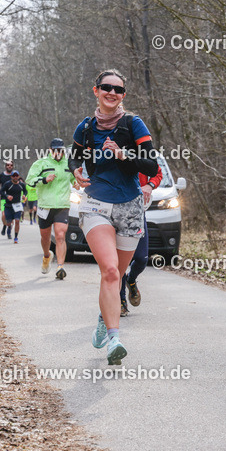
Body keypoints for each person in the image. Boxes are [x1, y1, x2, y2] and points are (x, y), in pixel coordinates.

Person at [69, 69, 160, 365]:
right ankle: (114, 340)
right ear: (95, 91)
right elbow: (74, 156)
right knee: (109, 271)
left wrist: (123, 155)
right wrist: (76, 170)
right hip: (95, 204)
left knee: (118, 274)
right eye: (106, 87)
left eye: (118, 89)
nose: (112, 93)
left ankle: (102, 316)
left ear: (123, 95)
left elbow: (149, 163)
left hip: (130, 207)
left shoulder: (133, 124)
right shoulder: (85, 128)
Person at [27, 138, 74, 279]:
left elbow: (73, 178)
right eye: (55, 150)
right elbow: (29, 180)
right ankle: (47, 256)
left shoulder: (69, 164)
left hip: (62, 205)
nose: (58, 153)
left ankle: (60, 267)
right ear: (50, 150)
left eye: (61, 150)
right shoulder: (41, 164)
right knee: (45, 237)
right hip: (45, 206)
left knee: (60, 235)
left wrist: (77, 183)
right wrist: (44, 179)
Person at [118, 167, 161, 316]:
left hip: (137, 211)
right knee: (119, 261)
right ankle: (121, 302)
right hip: (116, 210)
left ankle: (131, 279)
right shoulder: (110, 150)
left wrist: (150, 185)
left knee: (142, 258)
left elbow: (158, 173)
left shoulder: (141, 151)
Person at [0, 170, 27, 241]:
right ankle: (8, 229)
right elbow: (1, 192)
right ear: (11, 177)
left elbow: (25, 191)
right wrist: (7, 196)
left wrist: (24, 195)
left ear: (18, 176)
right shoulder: (7, 184)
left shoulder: (21, 184)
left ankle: (16, 237)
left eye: (16, 176)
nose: (15, 177)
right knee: (9, 222)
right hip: (9, 206)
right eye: (13, 176)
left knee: (17, 221)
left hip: (17, 205)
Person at [0, 161, 18, 237]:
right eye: (8, 165)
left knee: (11, 217)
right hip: (4, 198)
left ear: (13, 166)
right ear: (5, 166)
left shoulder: (14, 175)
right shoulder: (1, 175)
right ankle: (5, 226)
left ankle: (8, 228)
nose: (9, 166)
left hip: (14, 199)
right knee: (4, 215)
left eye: (11, 165)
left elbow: (19, 183)